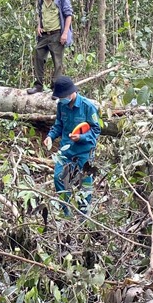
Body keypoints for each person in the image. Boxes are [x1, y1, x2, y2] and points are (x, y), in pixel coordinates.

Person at [43, 76, 101, 216]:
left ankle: (83, 218)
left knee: (85, 185)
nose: (61, 100)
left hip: (84, 152)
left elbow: (96, 130)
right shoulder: (61, 105)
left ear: (70, 93)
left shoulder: (88, 107)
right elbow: (59, 125)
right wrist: (50, 136)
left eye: (62, 97)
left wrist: (81, 137)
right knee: (59, 178)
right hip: (66, 151)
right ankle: (66, 215)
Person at [26, 0, 74, 94]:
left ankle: (55, 89)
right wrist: (38, 26)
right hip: (44, 34)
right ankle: (38, 85)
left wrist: (65, 33)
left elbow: (68, 16)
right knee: (38, 54)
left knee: (57, 62)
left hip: (57, 34)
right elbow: (39, 14)